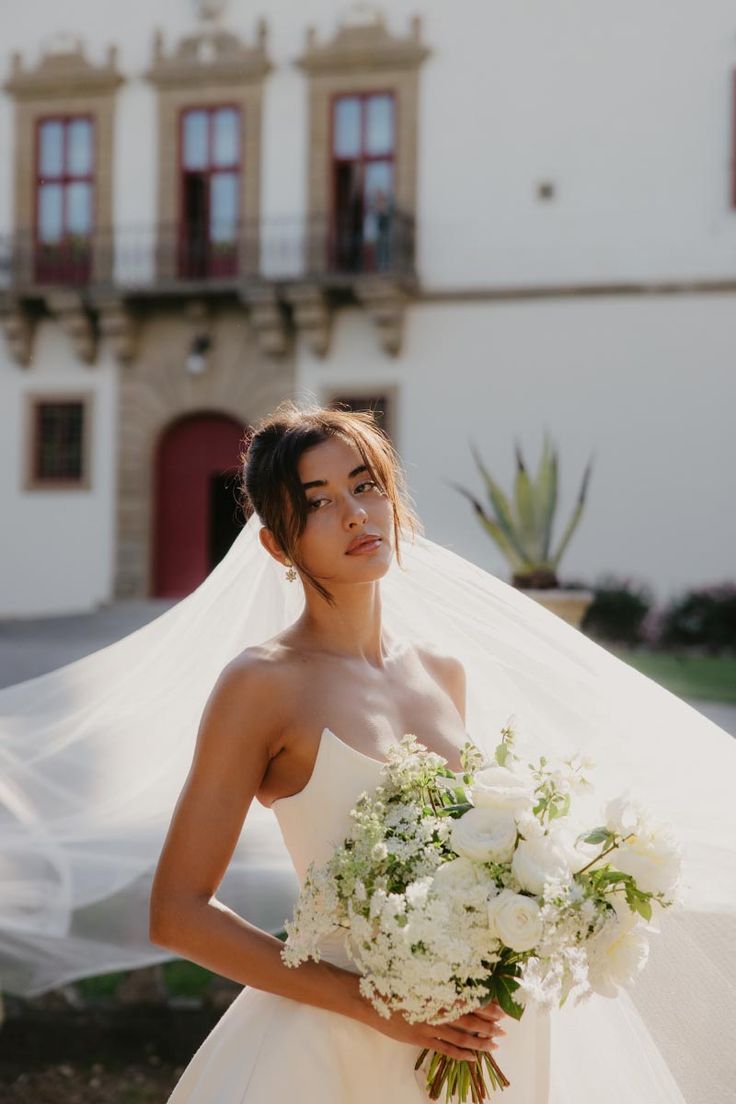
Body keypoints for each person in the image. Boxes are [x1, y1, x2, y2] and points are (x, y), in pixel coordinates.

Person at [0, 400, 733, 1102]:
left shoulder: (443, 673)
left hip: (484, 1035)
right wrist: (377, 1006)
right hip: (336, 1043)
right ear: (276, 542)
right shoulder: (261, 685)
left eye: (365, 485)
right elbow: (178, 912)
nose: (353, 512)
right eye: (317, 501)